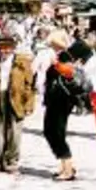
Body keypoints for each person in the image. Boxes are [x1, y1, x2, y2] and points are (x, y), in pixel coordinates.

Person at [0, 37, 35, 173]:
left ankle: (12, 161)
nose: (5, 50)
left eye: (8, 47)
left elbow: (30, 85)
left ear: (13, 48)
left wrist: (29, 104)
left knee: (15, 132)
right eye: (1, 47)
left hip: (16, 99)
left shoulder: (22, 62)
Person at [41, 29, 82, 181]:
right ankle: (65, 165)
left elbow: (68, 73)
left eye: (53, 43)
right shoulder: (59, 56)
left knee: (55, 132)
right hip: (56, 99)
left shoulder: (64, 56)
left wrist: (56, 65)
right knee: (52, 131)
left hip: (61, 100)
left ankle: (68, 167)